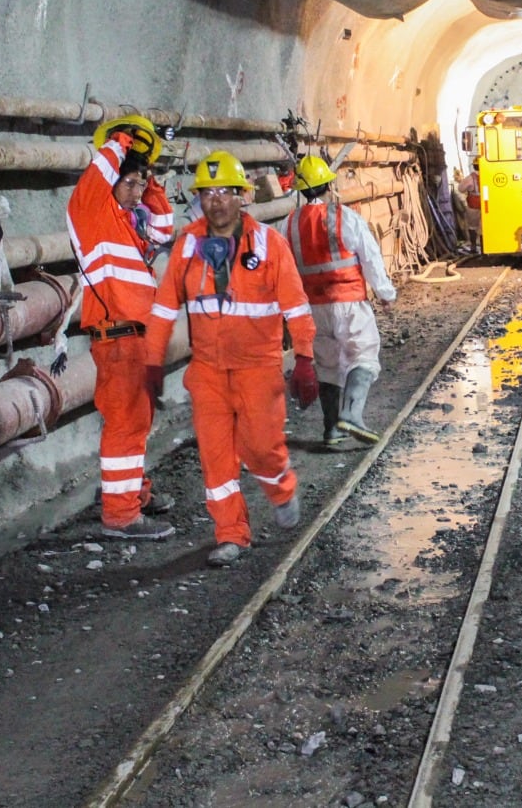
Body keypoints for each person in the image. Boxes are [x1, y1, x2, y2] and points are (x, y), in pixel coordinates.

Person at [142, 151, 319, 567]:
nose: (216, 200)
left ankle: (281, 489)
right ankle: (231, 533)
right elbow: (164, 308)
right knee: (215, 456)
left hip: (258, 368)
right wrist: (152, 361)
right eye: (208, 193)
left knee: (261, 448)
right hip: (207, 371)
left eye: (225, 191)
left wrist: (305, 358)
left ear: (242, 195)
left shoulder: (268, 244)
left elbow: (296, 306)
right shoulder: (188, 245)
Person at [65, 115, 178, 540]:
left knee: (136, 422)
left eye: (138, 186)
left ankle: (134, 493)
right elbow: (98, 176)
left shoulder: (128, 227)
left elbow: (164, 229)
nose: (135, 192)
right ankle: (120, 515)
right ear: (110, 180)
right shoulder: (92, 212)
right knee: (126, 424)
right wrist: (123, 139)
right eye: (127, 184)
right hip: (117, 338)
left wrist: (148, 179)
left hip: (135, 340)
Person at [282, 155, 397, 447]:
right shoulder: (346, 217)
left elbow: (282, 269)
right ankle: (352, 415)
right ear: (328, 186)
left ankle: (332, 429)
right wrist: (385, 293)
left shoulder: (288, 224)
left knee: (327, 364)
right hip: (349, 302)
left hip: (311, 308)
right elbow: (370, 257)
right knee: (364, 356)